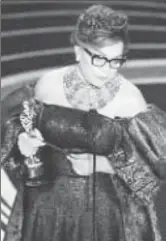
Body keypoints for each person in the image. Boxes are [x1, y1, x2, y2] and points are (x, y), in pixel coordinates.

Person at [2, 4, 166, 241]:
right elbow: (20, 132)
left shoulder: (130, 100)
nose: (108, 71)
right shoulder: (46, 86)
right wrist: (24, 145)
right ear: (79, 51)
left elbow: (151, 177)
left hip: (104, 216)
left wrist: (103, 165)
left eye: (116, 60)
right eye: (99, 59)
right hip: (45, 209)